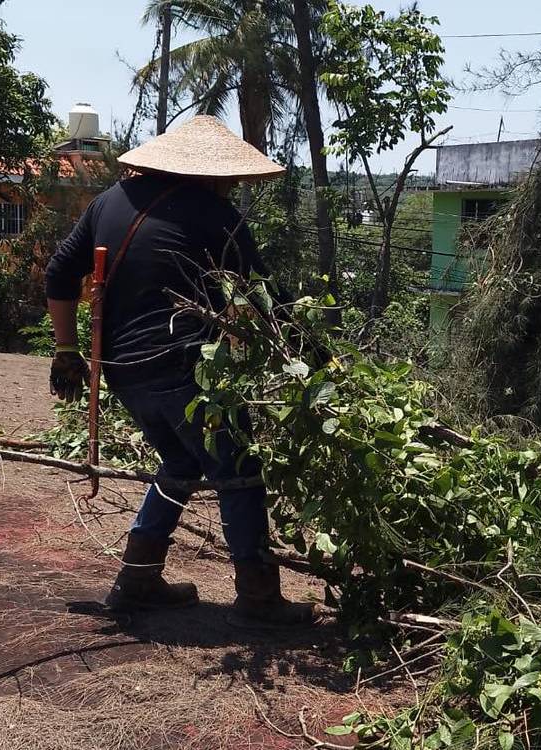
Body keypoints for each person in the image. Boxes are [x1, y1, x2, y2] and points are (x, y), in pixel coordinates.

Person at [44, 115, 316, 629]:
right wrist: (317, 361)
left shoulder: (110, 201)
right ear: (214, 174)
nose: (233, 186)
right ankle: (258, 595)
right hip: (184, 369)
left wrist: (65, 350)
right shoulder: (217, 215)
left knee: (180, 460)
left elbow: (59, 272)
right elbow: (264, 298)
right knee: (239, 468)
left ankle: (138, 579)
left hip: (120, 368)